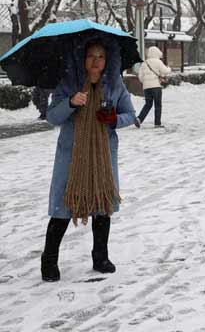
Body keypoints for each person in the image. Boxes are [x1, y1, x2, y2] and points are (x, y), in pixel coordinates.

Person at [41, 38, 138, 282]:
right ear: (82, 59)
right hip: (72, 156)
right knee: (63, 206)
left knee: (102, 205)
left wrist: (114, 119)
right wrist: (71, 102)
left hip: (103, 155)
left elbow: (130, 115)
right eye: (91, 56)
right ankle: (49, 260)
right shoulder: (68, 84)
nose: (96, 61)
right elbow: (52, 117)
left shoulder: (115, 85)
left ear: (108, 60)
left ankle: (100, 257)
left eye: (101, 56)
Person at [137, 46, 172, 127]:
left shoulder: (144, 63)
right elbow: (165, 71)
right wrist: (169, 68)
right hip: (156, 87)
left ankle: (139, 119)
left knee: (148, 104)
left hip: (146, 88)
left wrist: (145, 82)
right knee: (158, 105)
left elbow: (140, 76)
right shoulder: (158, 62)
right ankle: (157, 123)